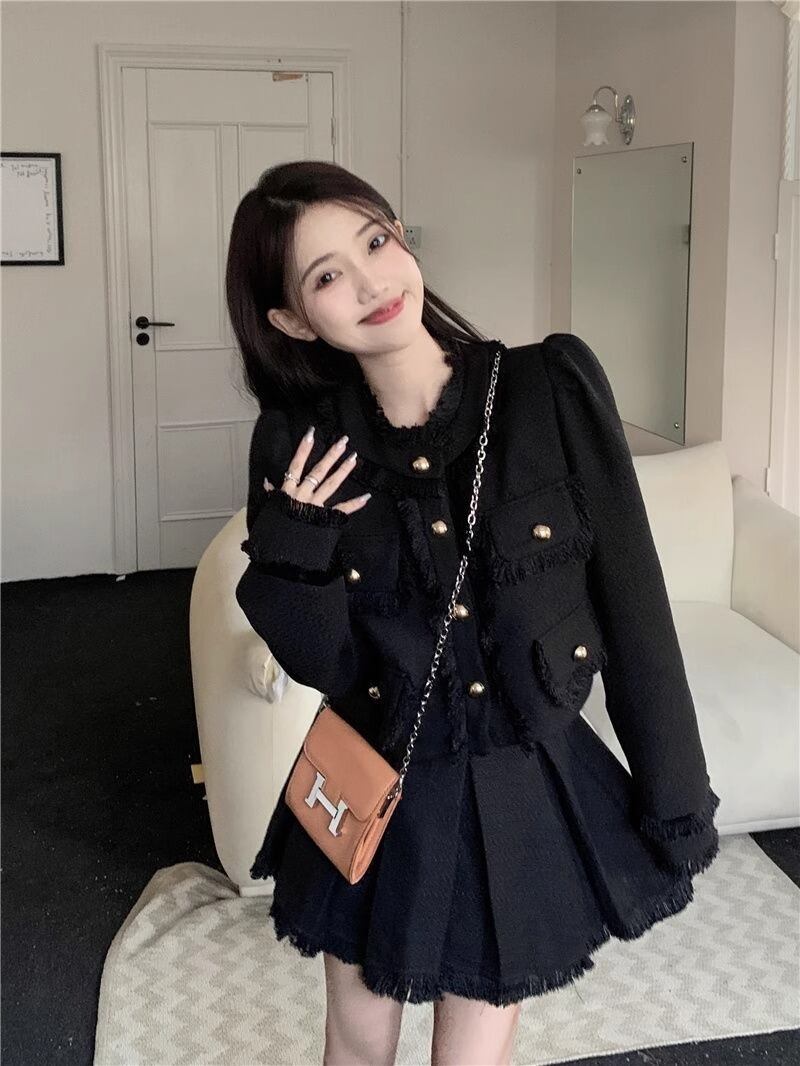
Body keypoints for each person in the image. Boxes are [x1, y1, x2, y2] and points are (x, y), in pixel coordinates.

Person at [225, 160, 721, 1066]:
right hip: (378, 774)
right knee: (357, 1041)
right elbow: (325, 667)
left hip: (518, 781)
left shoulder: (547, 389)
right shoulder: (300, 442)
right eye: (328, 275)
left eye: (377, 241)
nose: (372, 281)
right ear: (293, 320)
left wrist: (676, 798)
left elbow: (634, 604)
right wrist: (296, 543)